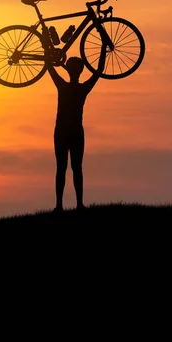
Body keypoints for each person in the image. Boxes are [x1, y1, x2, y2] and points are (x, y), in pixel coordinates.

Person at [42, 32, 108, 213]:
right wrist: (103, 47)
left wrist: (45, 45)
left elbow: (48, 65)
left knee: (63, 168)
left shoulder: (63, 86)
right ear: (79, 71)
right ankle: (75, 204)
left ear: (69, 70)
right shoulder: (82, 88)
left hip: (63, 131)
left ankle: (61, 205)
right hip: (73, 131)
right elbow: (99, 70)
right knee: (75, 168)